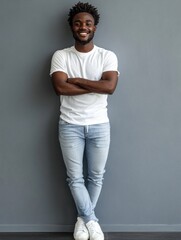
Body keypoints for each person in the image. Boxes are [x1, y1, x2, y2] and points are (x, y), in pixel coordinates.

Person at [50, 2, 119, 240]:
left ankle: (82, 220)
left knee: (96, 176)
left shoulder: (107, 56)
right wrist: (94, 85)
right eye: (78, 23)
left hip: (100, 125)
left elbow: (109, 87)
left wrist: (76, 80)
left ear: (94, 28)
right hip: (69, 125)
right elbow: (60, 87)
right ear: (72, 26)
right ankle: (91, 220)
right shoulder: (61, 55)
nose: (83, 27)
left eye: (88, 23)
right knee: (75, 177)